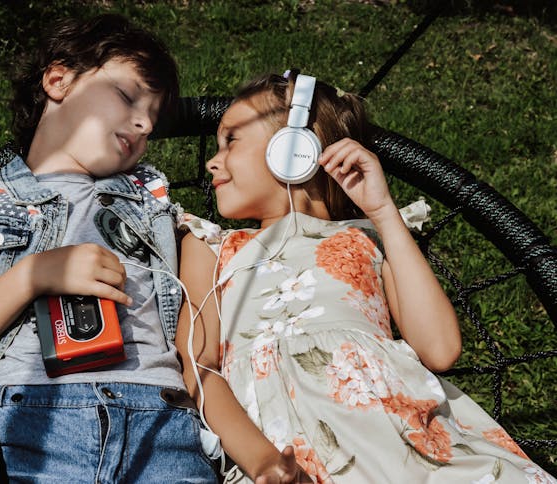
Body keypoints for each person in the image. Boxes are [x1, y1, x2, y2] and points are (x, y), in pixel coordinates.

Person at [176, 70, 557, 483]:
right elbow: (199, 366)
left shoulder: (369, 236)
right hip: (285, 454)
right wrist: (262, 461)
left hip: (397, 436)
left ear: (293, 149)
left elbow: (440, 349)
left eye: (231, 140)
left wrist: (384, 213)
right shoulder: (210, 246)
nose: (212, 161)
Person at [0, 14, 218, 483]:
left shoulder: (155, 206)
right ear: (58, 79)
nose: (143, 123)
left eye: (152, 118)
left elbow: (200, 341)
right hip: (20, 427)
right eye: (128, 96)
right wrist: (32, 276)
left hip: (162, 426)